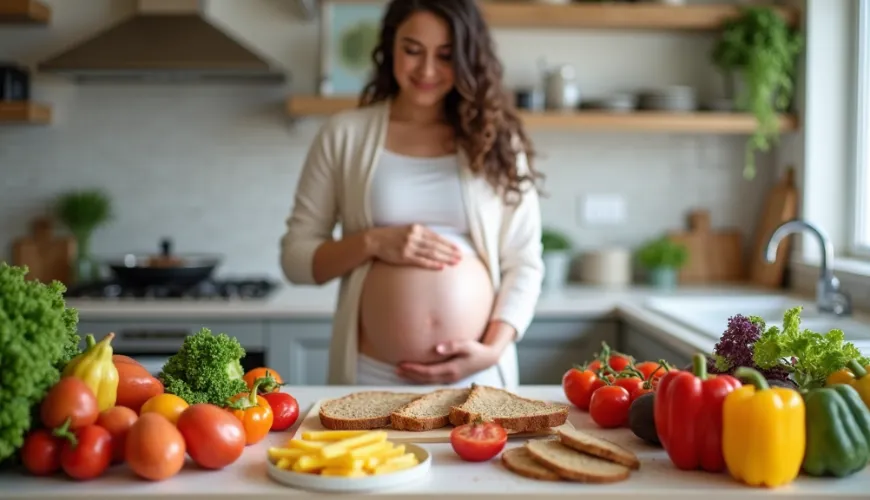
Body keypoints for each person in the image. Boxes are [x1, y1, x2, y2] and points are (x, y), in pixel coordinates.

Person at [279, 0, 544, 391]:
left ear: (469, 58)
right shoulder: (344, 135)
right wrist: (372, 242)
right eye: (413, 50)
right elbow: (296, 260)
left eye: (446, 55)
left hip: (478, 377)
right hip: (371, 379)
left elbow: (524, 262)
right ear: (390, 47)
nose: (426, 70)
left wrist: (492, 350)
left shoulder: (496, 140)